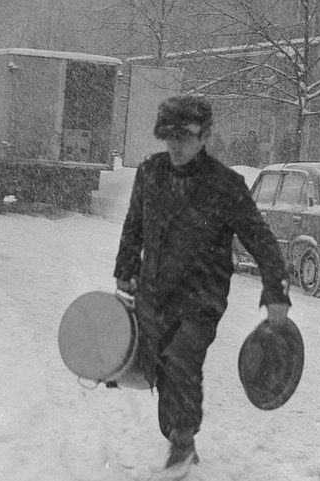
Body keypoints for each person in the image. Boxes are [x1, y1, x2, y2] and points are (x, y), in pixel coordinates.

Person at [114, 95, 291, 479]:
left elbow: (260, 238)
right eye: (168, 138)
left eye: (184, 137)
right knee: (160, 366)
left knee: (181, 360)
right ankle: (177, 431)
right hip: (154, 292)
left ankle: (182, 441)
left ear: (205, 135)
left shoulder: (226, 185)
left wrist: (276, 293)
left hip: (201, 298)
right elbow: (134, 227)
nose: (175, 146)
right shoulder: (150, 173)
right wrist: (125, 271)